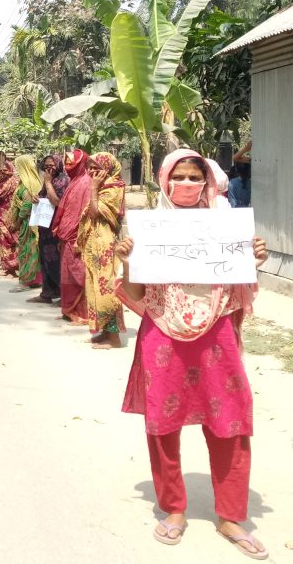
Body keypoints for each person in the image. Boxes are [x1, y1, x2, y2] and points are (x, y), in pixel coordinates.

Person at [115, 148, 269, 558]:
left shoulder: (225, 222)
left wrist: (253, 258)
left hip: (217, 332)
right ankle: (174, 509)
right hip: (163, 332)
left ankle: (231, 516)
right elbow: (134, 295)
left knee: (231, 420)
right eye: (178, 177)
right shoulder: (149, 227)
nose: (186, 185)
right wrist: (129, 262)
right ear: (165, 181)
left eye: (193, 177)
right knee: (163, 423)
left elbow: (241, 281)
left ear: (207, 180)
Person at [78, 152, 126, 349]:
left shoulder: (114, 188)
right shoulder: (104, 187)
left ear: (107, 168)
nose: (91, 171)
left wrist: (93, 188)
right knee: (95, 288)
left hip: (106, 245)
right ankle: (105, 332)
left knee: (107, 289)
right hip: (94, 243)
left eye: (95, 167)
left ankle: (113, 338)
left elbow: (96, 211)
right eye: (89, 167)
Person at [51, 150, 90, 325]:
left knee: (77, 274)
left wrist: (77, 238)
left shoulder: (86, 183)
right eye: (66, 163)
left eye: (71, 163)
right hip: (66, 237)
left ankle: (81, 312)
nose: (67, 166)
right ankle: (69, 309)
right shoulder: (74, 182)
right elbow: (65, 210)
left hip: (76, 239)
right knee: (66, 275)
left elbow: (83, 214)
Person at [30, 154, 68, 304]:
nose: (48, 168)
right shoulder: (48, 180)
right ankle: (47, 293)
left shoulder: (63, 180)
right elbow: (44, 198)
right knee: (45, 261)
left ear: (58, 165)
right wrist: (36, 198)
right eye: (46, 166)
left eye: (51, 165)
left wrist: (47, 183)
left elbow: (56, 201)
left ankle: (63, 294)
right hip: (44, 227)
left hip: (56, 228)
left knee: (56, 262)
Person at [9, 155, 43, 292]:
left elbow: (27, 205)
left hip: (28, 224)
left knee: (28, 251)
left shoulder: (29, 185)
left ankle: (26, 281)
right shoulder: (30, 182)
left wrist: (17, 222)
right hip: (30, 222)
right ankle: (35, 280)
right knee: (32, 251)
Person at [0, 160, 20, 278]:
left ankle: (15, 267)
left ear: (11, 170)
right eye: (1, 170)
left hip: (12, 216)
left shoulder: (15, 182)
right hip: (0, 215)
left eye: (5, 170)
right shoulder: (0, 182)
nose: (2, 172)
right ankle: (7, 268)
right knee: (3, 241)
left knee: (13, 241)